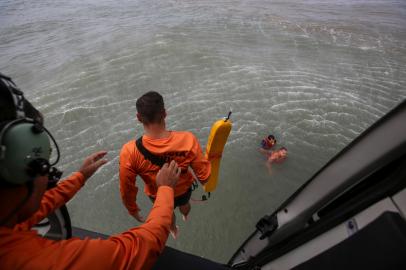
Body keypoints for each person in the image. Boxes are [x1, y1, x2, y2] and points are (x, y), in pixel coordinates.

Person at [0, 73, 180, 270]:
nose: (48, 169)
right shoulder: (41, 263)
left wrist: (80, 177)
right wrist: (165, 188)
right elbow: (144, 245)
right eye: (42, 158)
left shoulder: (8, 221)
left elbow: (41, 206)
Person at [119, 91, 211, 238]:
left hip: (157, 194)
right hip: (183, 191)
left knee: (166, 212)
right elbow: (204, 178)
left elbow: (126, 189)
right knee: (185, 205)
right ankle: (185, 215)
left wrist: (133, 210)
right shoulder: (188, 140)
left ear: (138, 118)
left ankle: (173, 228)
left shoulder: (129, 151)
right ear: (165, 113)